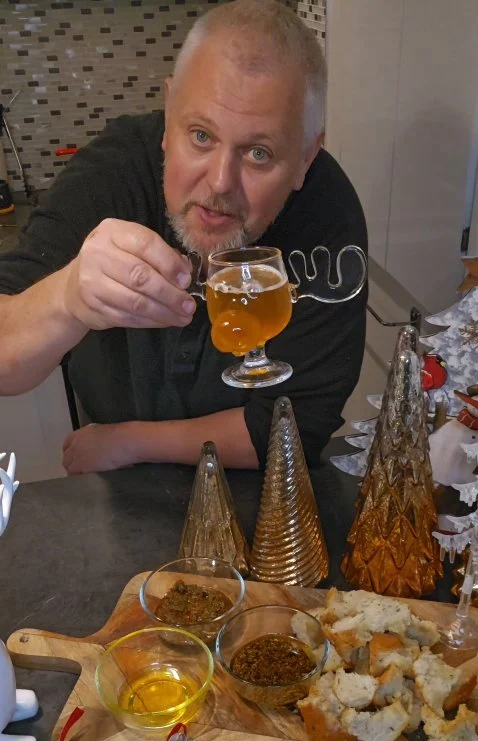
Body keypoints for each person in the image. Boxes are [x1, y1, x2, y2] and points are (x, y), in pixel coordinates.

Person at [0, 0, 367, 475]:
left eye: (259, 153)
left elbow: (298, 425)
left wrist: (131, 442)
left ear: (304, 158)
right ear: (169, 110)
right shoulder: (114, 172)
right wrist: (67, 297)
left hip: (257, 484)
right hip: (113, 481)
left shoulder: (328, 214)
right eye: (200, 136)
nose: (220, 182)